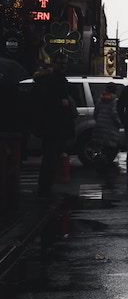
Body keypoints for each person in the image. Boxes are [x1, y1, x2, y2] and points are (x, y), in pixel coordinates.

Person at [29, 61, 75, 197]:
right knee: (50, 157)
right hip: (53, 126)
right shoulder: (50, 82)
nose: (64, 66)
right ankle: (45, 187)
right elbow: (44, 103)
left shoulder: (47, 82)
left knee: (51, 157)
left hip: (51, 127)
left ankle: (46, 186)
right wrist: (61, 103)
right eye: (62, 64)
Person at [93, 82, 121, 193]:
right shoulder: (114, 101)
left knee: (104, 147)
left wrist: (99, 121)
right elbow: (114, 114)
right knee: (112, 148)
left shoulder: (100, 99)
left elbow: (96, 113)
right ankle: (104, 166)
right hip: (110, 128)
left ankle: (102, 163)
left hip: (100, 126)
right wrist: (119, 123)